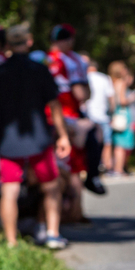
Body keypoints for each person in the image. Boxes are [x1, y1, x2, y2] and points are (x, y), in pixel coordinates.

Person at [0, 24, 72, 249]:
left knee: (9, 189)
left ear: (7, 45)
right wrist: (63, 136)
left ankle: (11, 241)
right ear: (29, 41)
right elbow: (54, 105)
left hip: (8, 140)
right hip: (39, 138)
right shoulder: (40, 70)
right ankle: (52, 234)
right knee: (51, 186)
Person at [47, 24, 104, 199]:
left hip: (49, 115)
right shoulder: (71, 60)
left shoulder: (44, 58)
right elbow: (81, 94)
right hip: (65, 114)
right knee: (93, 134)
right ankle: (92, 177)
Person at [84, 58, 115, 171]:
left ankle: (89, 167)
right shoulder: (105, 78)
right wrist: (112, 113)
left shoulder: (84, 77)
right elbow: (111, 98)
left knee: (88, 144)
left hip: (88, 115)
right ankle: (106, 166)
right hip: (103, 116)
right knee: (106, 143)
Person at [108, 61, 135, 177]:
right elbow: (122, 101)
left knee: (118, 144)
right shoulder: (121, 83)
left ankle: (117, 168)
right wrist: (132, 98)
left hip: (116, 114)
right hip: (124, 115)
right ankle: (119, 169)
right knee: (122, 145)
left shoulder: (112, 83)